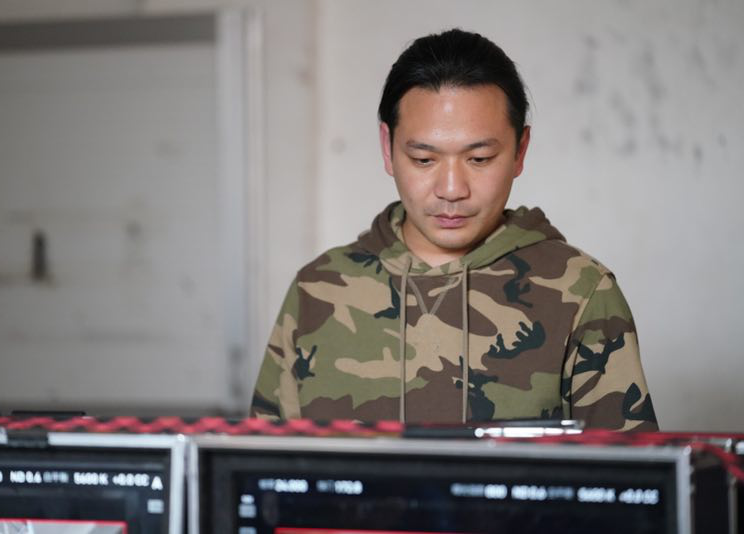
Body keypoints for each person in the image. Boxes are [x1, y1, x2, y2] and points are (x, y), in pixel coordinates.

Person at [250, 28, 657, 431]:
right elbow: (261, 464)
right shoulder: (316, 290)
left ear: (520, 151)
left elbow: (628, 470)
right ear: (387, 148)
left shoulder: (582, 292)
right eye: (424, 160)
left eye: (479, 159)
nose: (451, 190)